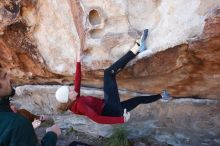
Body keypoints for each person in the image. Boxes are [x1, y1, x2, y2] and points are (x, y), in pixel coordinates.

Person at [55, 29, 171, 124]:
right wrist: (122, 120)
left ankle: (162, 95)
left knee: (138, 100)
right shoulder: (79, 105)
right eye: (69, 90)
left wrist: (78, 62)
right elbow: (97, 119)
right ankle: (137, 47)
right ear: (69, 97)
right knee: (108, 74)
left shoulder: (74, 98)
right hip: (111, 110)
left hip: (110, 106)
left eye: (69, 88)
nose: (71, 88)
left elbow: (77, 81)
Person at [0, 69, 61, 146]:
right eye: (4, 76)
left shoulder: (17, 116)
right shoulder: (17, 123)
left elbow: (30, 126)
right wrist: (52, 135)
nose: (9, 76)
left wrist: (39, 120)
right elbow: (25, 127)